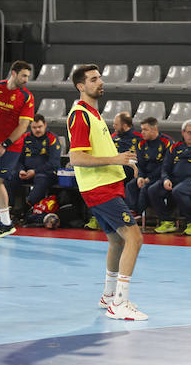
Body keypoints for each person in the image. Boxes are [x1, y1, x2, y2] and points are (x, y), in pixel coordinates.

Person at [67, 64, 147, 321]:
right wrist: (116, 159)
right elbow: (76, 158)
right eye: (93, 79)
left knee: (117, 241)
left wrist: (122, 162)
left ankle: (109, 295)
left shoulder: (94, 114)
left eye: (99, 78)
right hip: (100, 189)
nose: (100, 82)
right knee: (134, 238)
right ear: (81, 86)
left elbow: (99, 152)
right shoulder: (80, 115)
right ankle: (120, 303)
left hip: (108, 185)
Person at [0, 61, 34, 238]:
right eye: (23, 75)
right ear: (13, 73)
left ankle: (6, 223)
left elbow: (23, 126)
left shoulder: (26, 97)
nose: (26, 80)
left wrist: (4, 145)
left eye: (28, 76)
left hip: (11, 146)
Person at [124, 117, 171, 220]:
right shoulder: (140, 143)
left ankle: (138, 212)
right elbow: (140, 163)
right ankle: (132, 211)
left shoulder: (167, 142)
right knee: (130, 185)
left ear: (154, 130)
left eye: (145, 130)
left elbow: (166, 165)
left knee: (146, 188)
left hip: (161, 176)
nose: (142, 133)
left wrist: (149, 179)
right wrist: (140, 177)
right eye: (141, 129)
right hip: (146, 175)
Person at [12, 114, 61, 208]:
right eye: (34, 127)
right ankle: (11, 206)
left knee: (41, 178)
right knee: (11, 176)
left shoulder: (52, 138)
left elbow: (54, 163)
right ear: (30, 127)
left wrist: (35, 171)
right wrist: (21, 170)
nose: (37, 130)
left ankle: (28, 206)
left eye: (40, 127)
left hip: (45, 173)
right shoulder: (25, 137)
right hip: (26, 173)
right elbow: (18, 159)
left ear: (45, 125)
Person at [112, 111, 141, 182]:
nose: (113, 126)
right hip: (113, 167)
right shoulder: (113, 137)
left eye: (116, 124)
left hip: (130, 170)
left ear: (125, 126)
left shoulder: (139, 138)